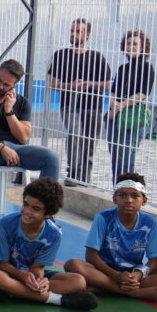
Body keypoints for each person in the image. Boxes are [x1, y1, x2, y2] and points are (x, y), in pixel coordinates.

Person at [0, 60, 62, 230]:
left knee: (51, 157)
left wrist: (9, 111)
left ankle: (45, 212)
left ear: (14, 85)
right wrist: (1, 147)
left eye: (6, 84)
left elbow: (23, 137)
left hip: (16, 150)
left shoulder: (22, 103)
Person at [64, 174, 157, 302]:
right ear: (114, 199)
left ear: (144, 200)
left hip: (132, 274)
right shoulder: (103, 218)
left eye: (135, 196)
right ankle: (134, 293)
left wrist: (138, 275)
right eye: (122, 196)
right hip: (105, 271)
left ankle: (103, 287)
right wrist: (117, 276)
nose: (128, 200)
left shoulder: (149, 222)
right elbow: (91, 255)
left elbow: (154, 262)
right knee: (72, 264)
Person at [0, 178, 99, 309]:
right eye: (25, 204)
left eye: (35, 208)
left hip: (29, 276)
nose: (27, 211)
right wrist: (22, 276)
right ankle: (56, 299)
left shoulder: (54, 234)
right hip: (6, 272)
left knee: (78, 281)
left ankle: (15, 292)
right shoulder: (5, 225)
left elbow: (37, 267)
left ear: (49, 213)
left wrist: (40, 280)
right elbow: (2, 264)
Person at [47, 17, 112, 186]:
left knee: (90, 140)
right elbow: (53, 83)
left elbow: (108, 85)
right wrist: (70, 86)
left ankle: (85, 176)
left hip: (92, 106)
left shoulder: (97, 57)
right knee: (74, 134)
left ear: (87, 34)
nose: (73, 34)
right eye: (72, 30)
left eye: (78, 31)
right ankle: (73, 173)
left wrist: (90, 84)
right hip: (70, 105)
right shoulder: (60, 55)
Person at [106, 29, 155, 179]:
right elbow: (113, 91)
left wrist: (124, 104)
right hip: (116, 114)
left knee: (126, 156)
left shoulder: (147, 67)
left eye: (134, 44)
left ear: (142, 48)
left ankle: (126, 187)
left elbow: (143, 93)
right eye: (128, 43)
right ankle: (117, 189)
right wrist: (114, 106)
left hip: (133, 116)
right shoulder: (122, 68)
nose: (130, 47)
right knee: (115, 154)